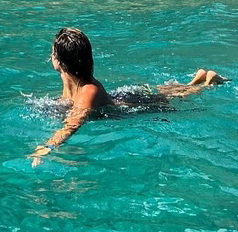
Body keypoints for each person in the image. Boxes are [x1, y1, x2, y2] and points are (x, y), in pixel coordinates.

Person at [30, 27, 225, 165]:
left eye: (53, 53)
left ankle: (207, 84)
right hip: (121, 97)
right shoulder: (74, 85)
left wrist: (49, 146)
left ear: (60, 61)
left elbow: (74, 123)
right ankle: (195, 82)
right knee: (162, 91)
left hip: (130, 109)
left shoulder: (88, 91)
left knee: (166, 100)